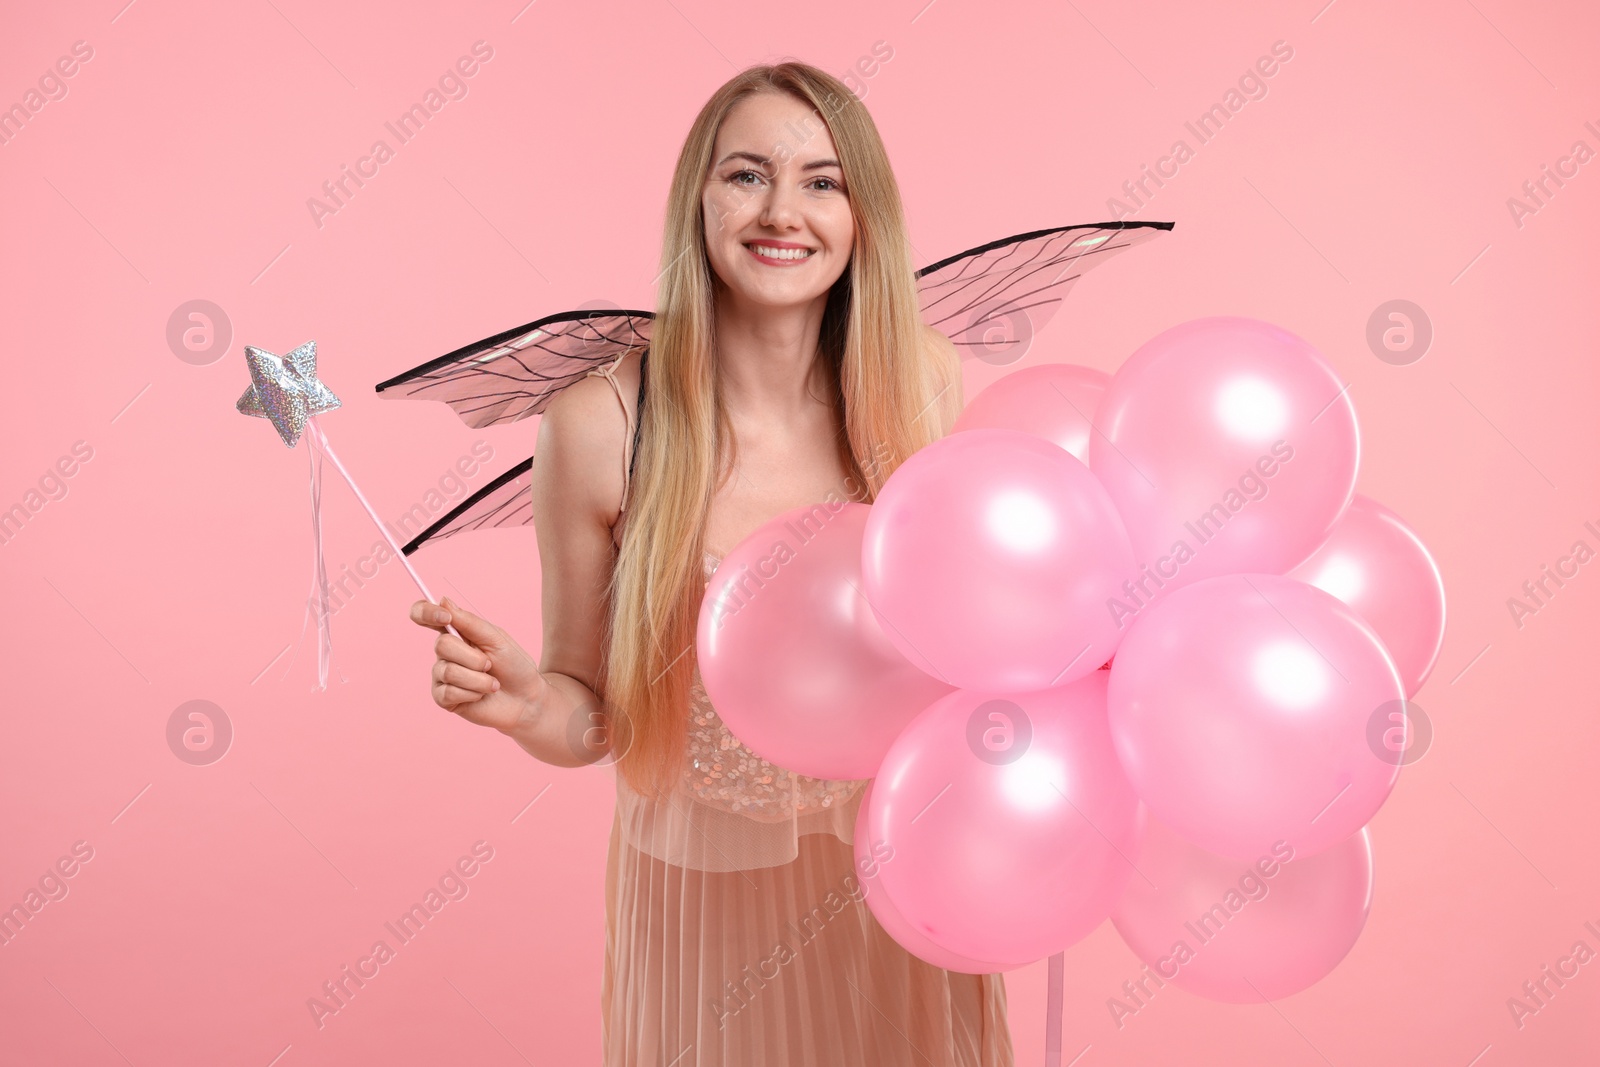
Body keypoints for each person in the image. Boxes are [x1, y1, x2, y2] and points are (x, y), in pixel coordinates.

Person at [409, 60, 1014, 1066]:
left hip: (903, 877)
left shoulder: (921, 387)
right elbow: (592, 710)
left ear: (864, 213)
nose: (783, 211)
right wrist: (525, 704)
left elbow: (969, 642)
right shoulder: (604, 423)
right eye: (747, 174)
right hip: (707, 900)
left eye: (822, 181)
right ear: (699, 196)